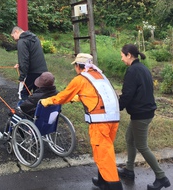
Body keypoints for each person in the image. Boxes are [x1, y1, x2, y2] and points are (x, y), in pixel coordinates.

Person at [40, 53, 123, 190]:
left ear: (78, 66)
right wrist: (78, 98)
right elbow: (95, 94)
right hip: (113, 119)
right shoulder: (99, 75)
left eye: (75, 66)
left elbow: (63, 96)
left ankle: (115, 186)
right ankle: (103, 182)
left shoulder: (81, 79)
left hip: (100, 122)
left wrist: (47, 101)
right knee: (106, 152)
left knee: (103, 156)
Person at [117, 44, 171, 190]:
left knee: (142, 146)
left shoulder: (133, 71)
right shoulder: (142, 68)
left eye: (122, 55)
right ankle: (129, 170)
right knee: (130, 138)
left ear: (129, 55)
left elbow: (127, 95)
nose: (121, 59)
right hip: (143, 111)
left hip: (141, 113)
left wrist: (116, 107)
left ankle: (161, 177)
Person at [11, 26, 48, 101]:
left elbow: (24, 59)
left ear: (16, 32)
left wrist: (22, 76)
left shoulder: (22, 41)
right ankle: (36, 111)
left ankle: (22, 110)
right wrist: (20, 64)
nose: (14, 39)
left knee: (23, 93)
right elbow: (32, 55)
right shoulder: (34, 38)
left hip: (33, 72)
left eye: (13, 36)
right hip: (43, 71)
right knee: (37, 94)